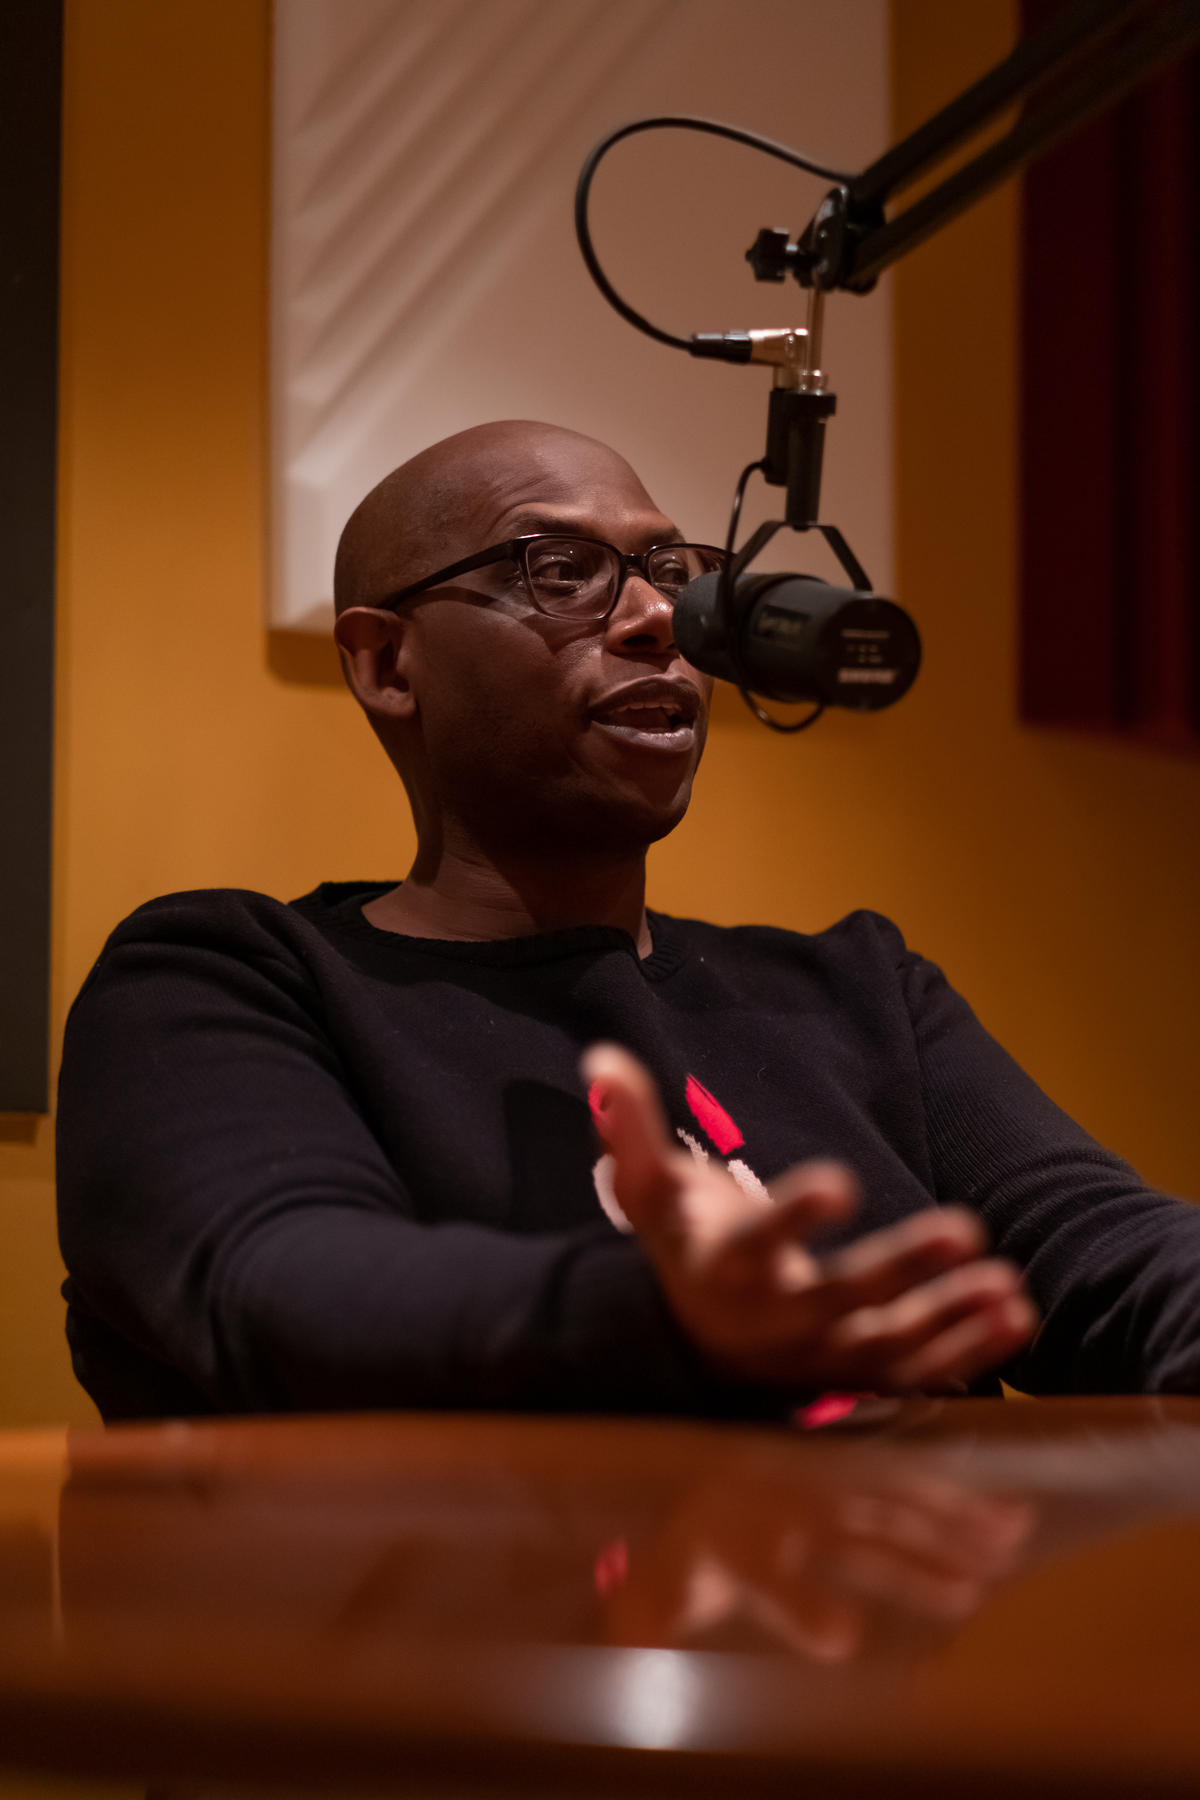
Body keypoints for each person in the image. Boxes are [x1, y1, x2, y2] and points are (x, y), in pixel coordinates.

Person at [56, 421, 1200, 1422]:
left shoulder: (860, 990)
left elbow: (1115, 1260)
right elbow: (284, 1294)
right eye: (558, 570)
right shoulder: (219, 978)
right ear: (386, 661)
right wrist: (652, 1318)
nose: (660, 618)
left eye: (669, 569)